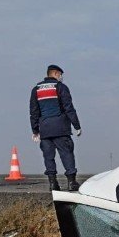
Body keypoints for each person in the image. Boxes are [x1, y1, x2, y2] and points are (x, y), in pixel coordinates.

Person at [30, 64, 82, 192]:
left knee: (48, 157)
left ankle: (53, 184)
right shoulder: (60, 87)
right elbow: (68, 108)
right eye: (60, 75)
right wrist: (76, 125)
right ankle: (71, 183)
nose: (61, 77)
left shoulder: (36, 89)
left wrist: (35, 130)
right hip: (61, 128)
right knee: (67, 154)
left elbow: (34, 112)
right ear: (55, 74)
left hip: (45, 129)